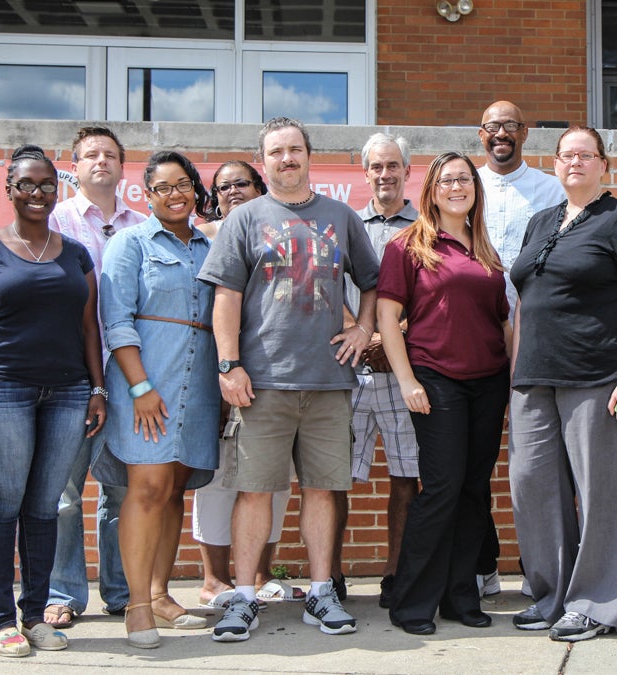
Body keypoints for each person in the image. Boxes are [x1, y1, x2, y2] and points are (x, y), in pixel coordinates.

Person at [198, 117, 379, 641]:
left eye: (295, 149)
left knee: (323, 490)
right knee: (253, 492)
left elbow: (371, 282)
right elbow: (225, 296)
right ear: (265, 160)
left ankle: (321, 592)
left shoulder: (341, 217)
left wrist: (364, 329)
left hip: (328, 379)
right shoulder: (245, 218)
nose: (287, 159)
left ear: (308, 155)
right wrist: (228, 365)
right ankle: (246, 597)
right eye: (276, 151)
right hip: (263, 382)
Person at [0, 144, 106, 657]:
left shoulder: (75, 253)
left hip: (66, 395)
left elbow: (89, 326)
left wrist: (96, 387)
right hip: (2, 390)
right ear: (10, 190)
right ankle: (0, 620)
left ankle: (35, 615)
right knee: (1, 507)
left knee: (44, 508)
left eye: (46, 185)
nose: (37, 193)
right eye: (26, 185)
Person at [508, 127, 617, 642]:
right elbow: (527, 303)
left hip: (598, 378)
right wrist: (516, 374)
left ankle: (596, 604)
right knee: (532, 486)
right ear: (554, 164)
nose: (574, 162)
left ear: (603, 165)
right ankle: (551, 595)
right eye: (566, 155)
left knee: (600, 493)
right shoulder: (540, 223)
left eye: (585, 155)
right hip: (533, 380)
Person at [378, 152, 511, 636]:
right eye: (447, 180)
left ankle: (460, 597)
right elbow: (387, 319)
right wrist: (407, 380)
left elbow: (500, 319)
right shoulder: (408, 246)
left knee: (474, 491)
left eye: (465, 179)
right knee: (441, 489)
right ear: (431, 190)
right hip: (436, 380)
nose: (457, 187)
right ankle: (412, 602)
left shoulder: (485, 250)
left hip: (489, 382)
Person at [95, 150, 218, 648]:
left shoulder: (209, 248)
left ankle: (162, 595)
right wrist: (140, 387)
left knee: (172, 491)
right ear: (146, 196)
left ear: (195, 190)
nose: (175, 194)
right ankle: (137, 607)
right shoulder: (130, 243)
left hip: (200, 383)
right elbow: (116, 320)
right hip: (147, 382)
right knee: (145, 489)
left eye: (183, 184)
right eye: (163, 187)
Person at [44, 125, 143, 628]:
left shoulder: (142, 225)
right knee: (64, 493)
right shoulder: (55, 221)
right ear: (75, 167)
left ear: (122, 167)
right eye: (89, 155)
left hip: (127, 374)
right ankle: (62, 592)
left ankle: (121, 591)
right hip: (71, 375)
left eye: (109, 154)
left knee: (121, 491)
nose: (100, 161)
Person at [190, 159, 299, 608]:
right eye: (223, 187)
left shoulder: (284, 233)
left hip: (276, 375)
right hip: (219, 373)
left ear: (260, 186)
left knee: (271, 479)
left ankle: (256, 574)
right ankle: (215, 580)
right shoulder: (201, 239)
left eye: (242, 183)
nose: (233, 191)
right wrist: (223, 366)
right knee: (217, 479)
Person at [474, 100, 565, 596]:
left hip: (539, 339)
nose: (501, 133)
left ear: (526, 133)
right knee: (478, 459)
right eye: (493, 126)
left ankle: (542, 573)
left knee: (538, 463)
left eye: (510, 125)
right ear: (480, 134)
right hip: (476, 336)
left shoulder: (550, 189)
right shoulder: (466, 185)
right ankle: (482, 565)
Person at [332, 133, 421, 609]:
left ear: (407, 171)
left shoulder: (424, 227)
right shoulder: (347, 225)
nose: (384, 174)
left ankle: (395, 573)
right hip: (349, 368)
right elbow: (330, 284)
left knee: (406, 476)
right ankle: (332, 574)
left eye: (393, 165)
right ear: (364, 173)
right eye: (376, 167)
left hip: (401, 370)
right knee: (336, 476)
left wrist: (391, 337)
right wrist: (357, 331)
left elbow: (429, 294)